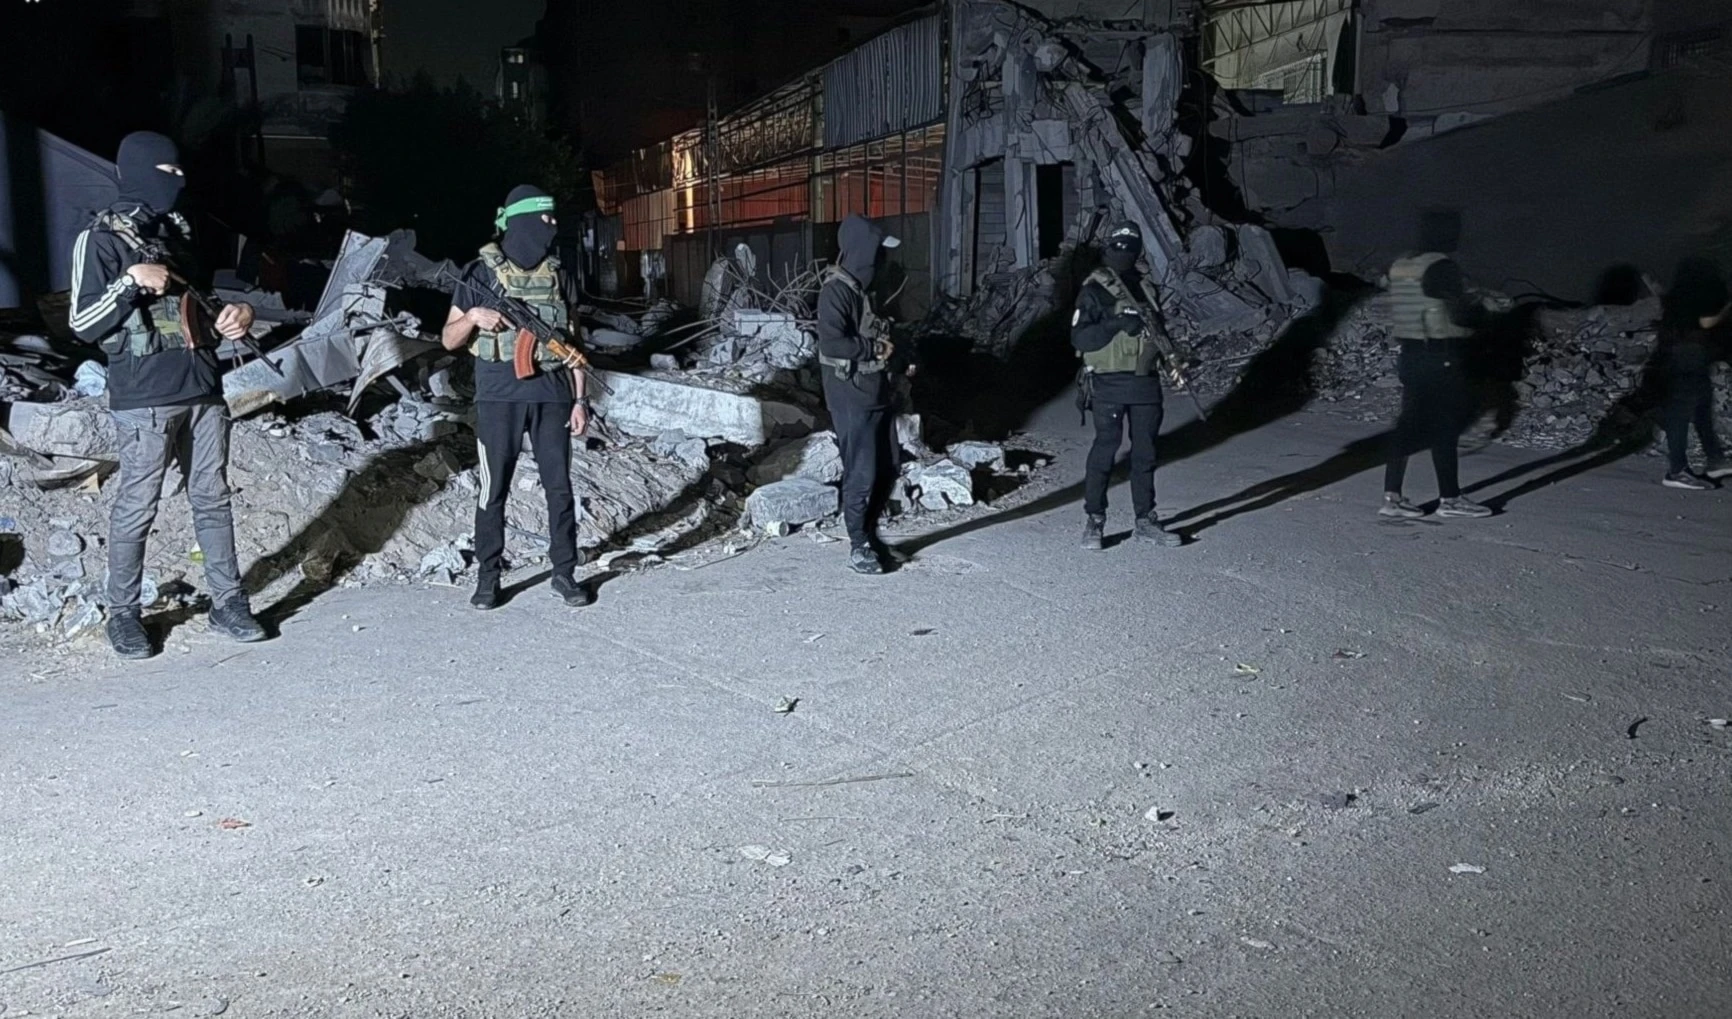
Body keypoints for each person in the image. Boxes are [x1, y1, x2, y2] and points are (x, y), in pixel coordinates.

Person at [68, 131, 263, 659]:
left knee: (213, 499)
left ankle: (228, 602)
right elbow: (82, 323)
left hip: (203, 388)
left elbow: (202, 304)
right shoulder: (99, 239)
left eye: (179, 172)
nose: (176, 181)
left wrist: (238, 316)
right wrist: (130, 281)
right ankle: (123, 614)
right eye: (165, 172)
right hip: (144, 398)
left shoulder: (179, 233)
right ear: (135, 172)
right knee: (137, 506)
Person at [440, 185, 592, 609]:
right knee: (493, 491)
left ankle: (564, 573)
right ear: (521, 221)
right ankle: (488, 577)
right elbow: (449, 339)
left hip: (553, 395)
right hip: (498, 398)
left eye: (554, 219)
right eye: (544, 219)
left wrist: (581, 401)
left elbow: (574, 344)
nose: (552, 227)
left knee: (559, 489)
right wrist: (473, 317)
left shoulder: (559, 274)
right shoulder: (479, 274)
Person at [1070, 221, 1193, 550]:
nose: (1123, 251)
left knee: (1146, 454)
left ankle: (1145, 521)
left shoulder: (1145, 288)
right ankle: (1095, 520)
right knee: (1105, 450)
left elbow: (1158, 334)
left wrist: (1173, 362)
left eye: (1130, 246)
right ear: (1109, 247)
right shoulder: (1094, 288)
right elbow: (1080, 338)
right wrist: (1116, 323)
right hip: (1108, 382)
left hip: (1145, 383)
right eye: (1118, 245)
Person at [1378, 219, 1504, 519]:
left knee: (1407, 425)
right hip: (1439, 355)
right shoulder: (1441, 266)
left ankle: (1392, 498)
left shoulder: (1401, 265)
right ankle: (1450, 499)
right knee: (1445, 427)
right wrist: (1483, 310)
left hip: (1409, 354)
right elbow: (1457, 313)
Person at [816, 214, 903, 574]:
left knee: (889, 466)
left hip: (876, 391)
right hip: (851, 396)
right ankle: (858, 544)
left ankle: (870, 533)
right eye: (878, 250)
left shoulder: (862, 291)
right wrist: (874, 349)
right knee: (861, 473)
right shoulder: (835, 292)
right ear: (864, 251)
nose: (882, 258)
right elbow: (832, 343)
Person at [1653, 258, 1732, 490]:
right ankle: (1676, 471)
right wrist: (1727, 308)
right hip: (1685, 361)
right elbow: (1706, 323)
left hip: (1687, 359)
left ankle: (1715, 460)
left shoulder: (1677, 296)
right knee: (1680, 415)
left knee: (1702, 409)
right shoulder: (1693, 296)